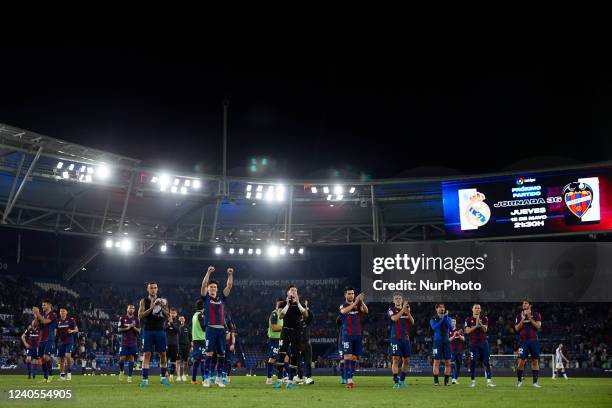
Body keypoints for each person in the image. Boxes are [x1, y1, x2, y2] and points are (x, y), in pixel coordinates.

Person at [200, 265, 234, 387]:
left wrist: (230, 274)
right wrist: (208, 272)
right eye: (211, 287)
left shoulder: (221, 298)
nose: (213, 288)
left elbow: (229, 286)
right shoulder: (206, 298)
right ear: (208, 289)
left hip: (221, 329)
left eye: (215, 287)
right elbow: (203, 285)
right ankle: (206, 379)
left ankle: (219, 378)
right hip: (210, 329)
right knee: (209, 354)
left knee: (221, 355)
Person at [275, 285, 309, 389]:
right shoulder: (283, 303)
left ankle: (290, 381)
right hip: (285, 331)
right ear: (288, 293)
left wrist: (298, 303)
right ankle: (279, 380)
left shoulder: (300, 304)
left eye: (295, 291)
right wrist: (288, 305)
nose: (294, 292)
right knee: (281, 355)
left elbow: (306, 316)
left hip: (296, 332)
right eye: (292, 290)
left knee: (295, 356)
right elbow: (280, 316)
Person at [138, 281, 170, 387]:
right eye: (151, 288)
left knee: (163, 354)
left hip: (160, 330)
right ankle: (145, 380)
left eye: (155, 288)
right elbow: (140, 316)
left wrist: (160, 306)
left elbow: (168, 315)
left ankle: (163, 378)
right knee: (147, 354)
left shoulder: (163, 301)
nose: (153, 289)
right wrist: (151, 308)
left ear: (157, 289)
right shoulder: (143, 301)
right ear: (148, 289)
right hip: (148, 330)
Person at [339, 287, 368, 389]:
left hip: (358, 335)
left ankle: (350, 377)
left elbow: (366, 310)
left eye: (352, 293)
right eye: (349, 294)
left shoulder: (358, 304)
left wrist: (361, 301)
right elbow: (343, 311)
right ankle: (349, 380)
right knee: (347, 357)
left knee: (354, 358)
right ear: (345, 295)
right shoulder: (343, 305)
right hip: (347, 335)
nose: (351, 295)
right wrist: (355, 303)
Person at [465, 304, 495, 387]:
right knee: (473, 362)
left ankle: (489, 381)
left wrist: (480, 324)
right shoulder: (468, 319)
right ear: (472, 309)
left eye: (479, 308)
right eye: (476, 308)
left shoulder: (484, 318)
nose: (477, 309)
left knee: (486, 361)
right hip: (473, 343)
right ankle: (473, 381)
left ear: (480, 310)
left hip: (483, 343)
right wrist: (476, 326)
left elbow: (485, 329)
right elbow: (467, 331)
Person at [387, 292, 413, 389]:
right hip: (395, 338)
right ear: (394, 300)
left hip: (405, 338)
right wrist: (403, 309)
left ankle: (402, 381)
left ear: (402, 300)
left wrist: (408, 313)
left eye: (399, 298)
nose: (398, 300)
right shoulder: (391, 310)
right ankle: (396, 381)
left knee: (406, 360)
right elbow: (394, 318)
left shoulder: (406, 310)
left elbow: (412, 322)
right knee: (395, 359)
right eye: (396, 298)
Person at [515, 300, 542, 388]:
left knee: (535, 361)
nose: (524, 304)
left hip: (534, 341)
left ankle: (535, 382)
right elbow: (516, 328)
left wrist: (530, 318)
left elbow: (538, 326)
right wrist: (522, 319)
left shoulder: (536, 314)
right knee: (521, 361)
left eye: (526, 303)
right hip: (523, 342)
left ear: (530, 305)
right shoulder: (519, 315)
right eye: (523, 303)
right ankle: (519, 381)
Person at [32, 300, 57, 383]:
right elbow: (35, 325)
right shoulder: (41, 314)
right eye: (42, 305)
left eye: (44, 305)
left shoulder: (52, 315)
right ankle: (45, 377)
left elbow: (44, 321)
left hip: (49, 338)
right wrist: (36, 316)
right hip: (41, 339)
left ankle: (50, 375)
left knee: (45, 356)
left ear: (49, 305)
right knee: (41, 359)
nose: (42, 306)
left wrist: (38, 313)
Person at [430, 303, 452, 386]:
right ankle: (436, 382)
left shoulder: (448, 318)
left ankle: (446, 382)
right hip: (437, 342)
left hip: (446, 342)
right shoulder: (433, 319)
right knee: (436, 362)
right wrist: (443, 318)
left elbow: (450, 327)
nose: (442, 309)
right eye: (440, 307)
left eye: (443, 307)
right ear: (436, 309)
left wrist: (445, 318)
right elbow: (434, 327)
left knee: (448, 362)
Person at [118, 304, 140, 383]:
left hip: (133, 342)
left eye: (133, 308)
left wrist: (133, 327)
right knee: (122, 359)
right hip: (124, 342)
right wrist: (127, 328)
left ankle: (130, 376)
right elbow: (119, 329)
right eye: (130, 308)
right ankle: (121, 371)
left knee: (131, 358)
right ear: (127, 309)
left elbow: (139, 331)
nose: (132, 309)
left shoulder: (136, 319)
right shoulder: (122, 318)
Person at [266, 298, 285, 385]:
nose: (280, 307)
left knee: (285, 357)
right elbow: (273, 328)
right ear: (276, 305)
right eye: (279, 305)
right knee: (273, 358)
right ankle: (269, 378)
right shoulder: (274, 314)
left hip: (281, 339)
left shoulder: (282, 315)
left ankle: (285, 376)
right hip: (274, 339)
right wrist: (284, 328)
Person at [57, 307, 78, 381]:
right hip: (61, 341)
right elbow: (56, 332)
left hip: (69, 340)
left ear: (66, 312)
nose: (62, 312)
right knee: (61, 359)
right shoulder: (58, 321)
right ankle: (62, 375)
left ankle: (69, 372)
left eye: (63, 311)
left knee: (68, 356)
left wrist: (71, 331)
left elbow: (76, 329)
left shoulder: (71, 320)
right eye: (61, 311)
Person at [296, 300, 314, 385]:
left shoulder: (307, 320)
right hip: (298, 344)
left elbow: (311, 317)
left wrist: (307, 308)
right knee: (298, 362)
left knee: (308, 361)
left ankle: (308, 377)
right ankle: (299, 377)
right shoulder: (296, 320)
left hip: (306, 343)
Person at [191, 299, 207, 385]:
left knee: (196, 360)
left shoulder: (194, 315)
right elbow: (203, 328)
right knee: (203, 360)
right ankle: (204, 379)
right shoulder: (201, 315)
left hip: (195, 339)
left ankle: (193, 379)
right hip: (201, 340)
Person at [165, 308, 180, 382]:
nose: (172, 314)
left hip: (174, 344)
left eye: (174, 313)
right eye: (171, 313)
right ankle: (165, 372)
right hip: (167, 343)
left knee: (173, 360)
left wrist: (172, 323)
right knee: (165, 359)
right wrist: (168, 324)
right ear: (169, 313)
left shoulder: (178, 322)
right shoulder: (166, 321)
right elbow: (163, 329)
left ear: (176, 314)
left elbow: (178, 330)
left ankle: (171, 376)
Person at [449, 318, 465, 384]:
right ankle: (453, 378)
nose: (453, 322)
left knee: (458, 365)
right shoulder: (448, 330)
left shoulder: (459, 330)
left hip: (459, 351)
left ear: (456, 322)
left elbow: (463, 339)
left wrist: (459, 335)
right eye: (452, 321)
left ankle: (455, 379)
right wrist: (454, 335)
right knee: (452, 364)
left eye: (454, 321)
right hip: (452, 350)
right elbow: (448, 340)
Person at [177, 315, 191, 382]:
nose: (182, 319)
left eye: (183, 318)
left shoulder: (187, 327)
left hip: (186, 345)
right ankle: (178, 376)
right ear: (178, 319)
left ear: (185, 319)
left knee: (185, 361)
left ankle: (184, 375)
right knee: (179, 360)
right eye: (180, 318)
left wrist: (191, 346)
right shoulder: (177, 326)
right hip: (179, 345)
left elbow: (190, 337)